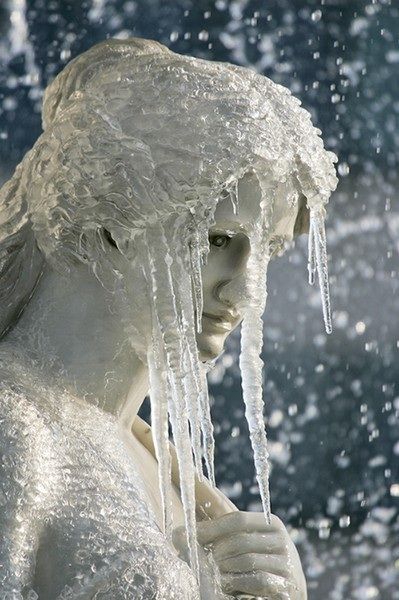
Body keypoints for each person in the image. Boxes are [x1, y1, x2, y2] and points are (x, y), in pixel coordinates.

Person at [0, 38, 337, 599]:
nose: (246, 289)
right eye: (216, 239)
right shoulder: (16, 434)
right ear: (103, 223)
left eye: (270, 251)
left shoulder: (151, 455)